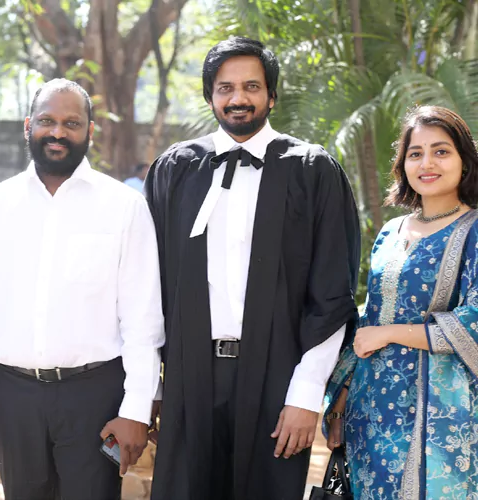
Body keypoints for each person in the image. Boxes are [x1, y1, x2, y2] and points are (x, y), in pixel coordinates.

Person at [145, 36, 361, 500]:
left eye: (251, 86)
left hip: (277, 379)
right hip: (189, 377)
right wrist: (150, 388)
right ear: (210, 96)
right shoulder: (176, 169)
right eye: (225, 88)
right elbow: (147, 288)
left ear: (272, 95)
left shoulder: (312, 171)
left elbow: (332, 292)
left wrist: (306, 393)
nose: (238, 98)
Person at [0, 78, 164, 500]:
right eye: (47, 121)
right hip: (14, 397)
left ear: (89, 131)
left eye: (71, 123)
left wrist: (136, 409)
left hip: (96, 397)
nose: (58, 132)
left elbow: (143, 319)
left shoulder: (124, 206)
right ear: (28, 125)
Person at [324, 105, 478, 498]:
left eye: (441, 151)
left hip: (441, 412)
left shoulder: (474, 229)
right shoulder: (391, 231)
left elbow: (475, 319)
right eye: (415, 153)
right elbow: (368, 322)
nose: (427, 163)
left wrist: (390, 333)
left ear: (464, 159)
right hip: (371, 408)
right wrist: (340, 403)